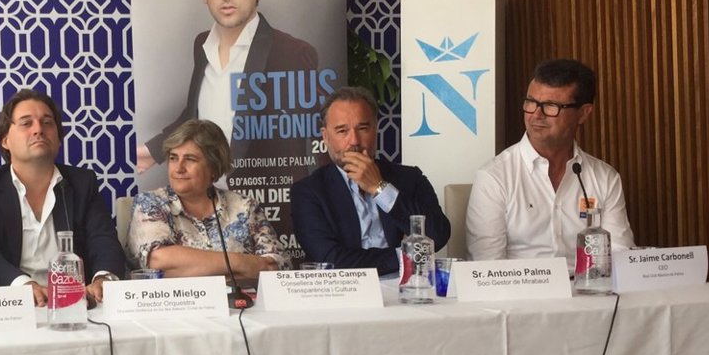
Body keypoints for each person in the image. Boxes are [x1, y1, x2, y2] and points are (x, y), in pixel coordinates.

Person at [137, 0, 319, 172]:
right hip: (207, 191)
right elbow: (194, 116)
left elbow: (321, 133)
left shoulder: (292, 52)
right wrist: (151, 152)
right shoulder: (202, 45)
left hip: (266, 194)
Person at [0, 89, 126, 307]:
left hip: (75, 304)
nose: (38, 129)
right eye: (26, 123)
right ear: (5, 140)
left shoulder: (83, 182)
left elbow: (103, 240)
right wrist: (24, 286)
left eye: (47, 123)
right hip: (11, 305)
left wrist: (104, 278)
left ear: (59, 138)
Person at [466, 58, 634, 264]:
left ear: (583, 113)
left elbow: (620, 258)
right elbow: (487, 268)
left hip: (589, 283)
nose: (536, 114)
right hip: (521, 284)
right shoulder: (495, 177)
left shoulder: (605, 178)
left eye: (551, 106)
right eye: (531, 102)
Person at [291, 87, 450, 274]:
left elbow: (437, 235)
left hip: (407, 285)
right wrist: (406, 256)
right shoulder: (308, 192)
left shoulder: (410, 178)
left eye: (363, 128)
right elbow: (331, 261)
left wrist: (380, 188)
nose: (354, 141)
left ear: (376, 130)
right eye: (342, 131)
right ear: (326, 137)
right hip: (346, 288)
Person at [128, 119, 290, 277]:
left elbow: (276, 266)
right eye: (173, 158)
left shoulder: (245, 206)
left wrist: (190, 269)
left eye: (190, 159)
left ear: (214, 166)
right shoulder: (150, 203)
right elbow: (159, 263)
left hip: (241, 297)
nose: (178, 168)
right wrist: (240, 263)